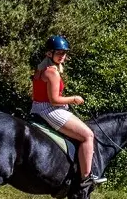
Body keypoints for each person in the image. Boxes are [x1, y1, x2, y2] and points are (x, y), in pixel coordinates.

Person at [30, 35, 107, 189]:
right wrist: (74, 99)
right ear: (49, 53)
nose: (63, 56)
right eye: (59, 53)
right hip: (50, 109)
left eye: (64, 53)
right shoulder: (52, 72)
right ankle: (86, 177)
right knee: (88, 135)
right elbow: (54, 100)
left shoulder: (41, 69)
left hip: (37, 107)